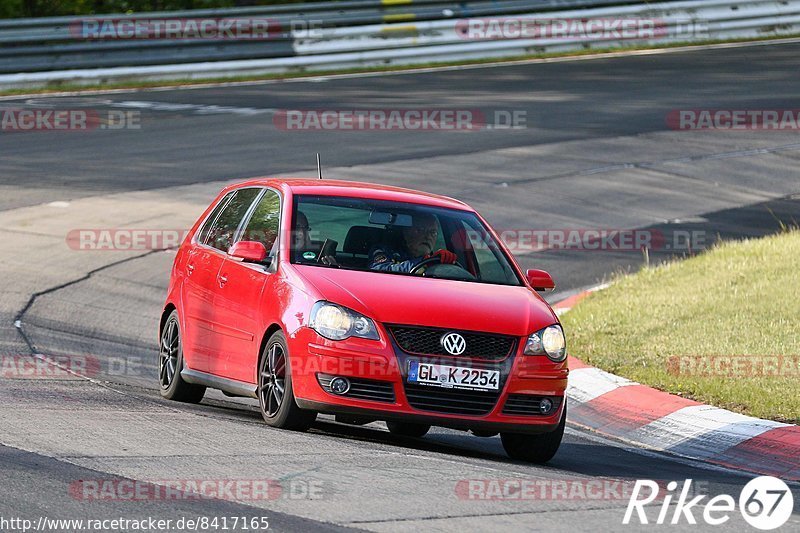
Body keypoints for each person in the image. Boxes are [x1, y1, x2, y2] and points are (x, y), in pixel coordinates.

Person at [369, 212, 457, 272]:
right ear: (406, 231)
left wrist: (447, 262)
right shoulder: (384, 250)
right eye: (420, 230)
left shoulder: (436, 259)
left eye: (433, 232)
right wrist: (422, 261)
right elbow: (379, 270)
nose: (428, 236)